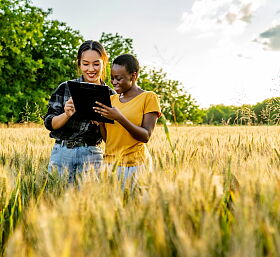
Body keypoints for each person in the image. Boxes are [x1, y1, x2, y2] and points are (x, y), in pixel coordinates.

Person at [44, 40, 115, 182]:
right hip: (62, 153)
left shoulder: (111, 96)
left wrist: (101, 123)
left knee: (88, 202)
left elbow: (111, 140)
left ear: (104, 63)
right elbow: (49, 124)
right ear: (79, 63)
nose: (91, 69)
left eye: (96, 64)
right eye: (85, 64)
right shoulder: (66, 88)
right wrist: (66, 114)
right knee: (56, 199)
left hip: (92, 155)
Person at [93, 54, 161, 189]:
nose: (114, 82)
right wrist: (100, 123)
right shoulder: (111, 100)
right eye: (112, 78)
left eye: (119, 78)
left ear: (133, 76)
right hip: (110, 165)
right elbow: (110, 140)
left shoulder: (148, 97)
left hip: (135, 166)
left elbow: (145, 136)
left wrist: (119, 117)